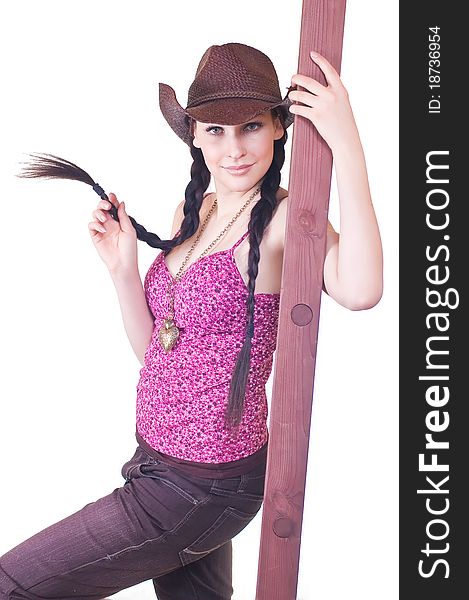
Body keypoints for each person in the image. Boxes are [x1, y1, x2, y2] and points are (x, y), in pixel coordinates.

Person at [0, 42, 382, 599]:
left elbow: (362, 289)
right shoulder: (194, 211)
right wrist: (124, 271)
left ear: (279, 127)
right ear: (195, 136)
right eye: (215, 130)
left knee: (13, 583)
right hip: (156, 463)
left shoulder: (285, 221)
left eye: (250, 125)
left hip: (201, 487)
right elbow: (160, 353)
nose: (233, 149)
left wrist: (345, 141)